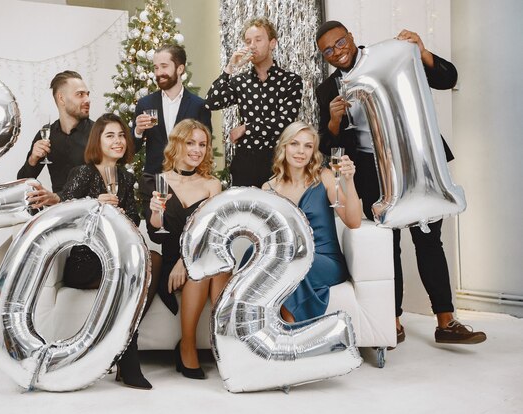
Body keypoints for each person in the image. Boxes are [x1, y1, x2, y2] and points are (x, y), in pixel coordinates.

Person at [315, 21, 486, 345]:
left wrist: (421, 52)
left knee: (428, 239)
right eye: (328, 50)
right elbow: (328, 146)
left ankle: (446, 321)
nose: (337, 51)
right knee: (387, 246)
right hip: (369, 171)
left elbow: (447, 78)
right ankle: (390, 321)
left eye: (340, 43)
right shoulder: (327, 90)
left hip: (417, 161)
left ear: (351, 37)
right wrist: (334, 120)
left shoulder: (390, 55)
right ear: (324, 57)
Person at [27, 113, 154, 390]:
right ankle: (127, 361)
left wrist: (121, 214)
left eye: (121, 135)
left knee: (151, 261)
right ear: (98, 140)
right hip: (86, 260)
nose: (118, 141)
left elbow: (134, 222)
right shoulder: (83, 172)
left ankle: (118, 348)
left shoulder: (126, 176)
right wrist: (94, 204)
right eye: (110, 135)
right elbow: (66, 214)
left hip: (115, 258)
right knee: (127, 277)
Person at [143, 119, 229, 379]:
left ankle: (223, 344)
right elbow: (155, 234)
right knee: (203, 272)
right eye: (190, 142)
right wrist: (156, 214)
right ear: (177, 144)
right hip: (173, 262)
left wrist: (187, 259)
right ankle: (189, 346)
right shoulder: (157, 181)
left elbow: (214, 233)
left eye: (202, 144)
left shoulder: (212, 184)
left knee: (212, 268)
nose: (197, 149)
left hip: (203, 254)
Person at [257, 121, 361, 321]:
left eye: (308, 146)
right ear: (284, 147)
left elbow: (353, 221)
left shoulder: (325, 177)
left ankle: (290, 328)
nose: (301, 151)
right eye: (294, 144)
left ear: (314, 151)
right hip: (287, 257)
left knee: (286, 266)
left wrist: (349, 180)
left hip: (324, 260)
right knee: (262, 257)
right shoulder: (268, 189)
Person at [206, 17, 303, 187]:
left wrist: (246, 128)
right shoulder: (240, 82)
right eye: (248, 41)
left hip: (279, 160)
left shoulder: (291, 81)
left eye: (258, 39)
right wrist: (229, 69)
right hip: (245, 162)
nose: (252, 45)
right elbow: (212, 102)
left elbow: (285, 122)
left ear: (272, 43)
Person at [133, 44, 212, 176]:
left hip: (188, 181)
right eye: (156, 68)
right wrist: (138, 131)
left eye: (164, 66)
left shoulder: (199, 106)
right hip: (154, 180)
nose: (158, 73)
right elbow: (133, 149)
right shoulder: (145, 104)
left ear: (180, 68)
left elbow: (206, 146)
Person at [17, 70, 93, 193]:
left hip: (91, 208)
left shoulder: (99, 133)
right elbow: (21, 183)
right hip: (59, 210)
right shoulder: (46, 135)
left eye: (87, 94)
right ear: (61, 99)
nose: (87, 100)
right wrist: (33, 159)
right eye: (80, 94)